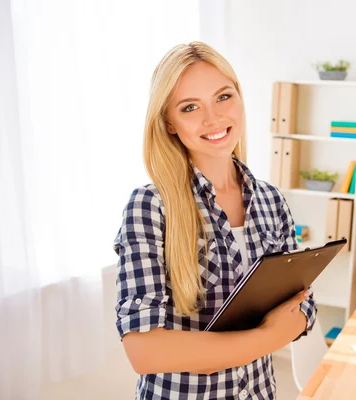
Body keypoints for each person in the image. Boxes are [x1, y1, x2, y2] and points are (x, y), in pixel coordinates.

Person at [112, 41, 317, 400]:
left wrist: (209, 350)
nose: (213, 118)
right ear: (170, 124)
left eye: (223, 97)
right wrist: (268, 336)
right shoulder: (150, 206)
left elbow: (303, 307)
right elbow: (145, 352)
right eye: (190, 107)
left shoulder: (270, 200)